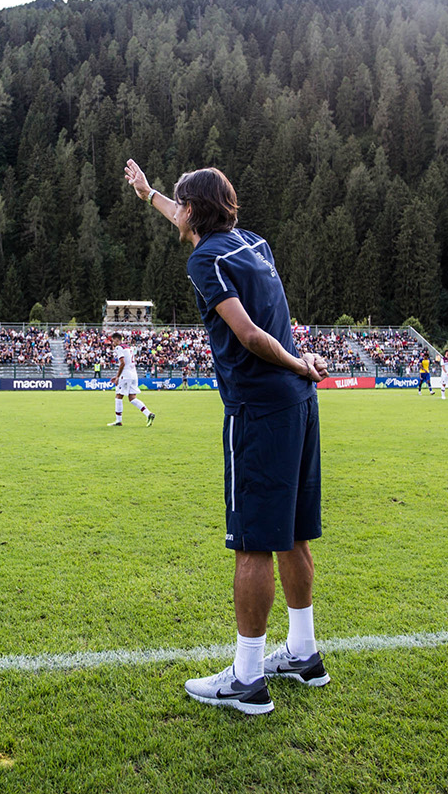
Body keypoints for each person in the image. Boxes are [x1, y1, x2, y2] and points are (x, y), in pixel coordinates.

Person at [125, 159, 331, 716]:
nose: (176, 211)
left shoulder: (204, 259)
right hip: (298, 407)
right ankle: (305, 654)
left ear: (193, 211)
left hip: (259, 409)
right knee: (292, 535)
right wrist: (148, 195)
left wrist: (294, 362)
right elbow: (185, 216)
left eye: (178, 204)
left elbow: (247, 333)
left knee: (252, 543)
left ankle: (246, 679)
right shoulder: (253, 244)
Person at [106, 330, 154, 426]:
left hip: (125, 375)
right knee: (132, 398)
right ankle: (148, 414)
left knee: (118, 396)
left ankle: (118, 421)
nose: (112, 343)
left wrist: (117, 377)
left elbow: (123, 362)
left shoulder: (119, 348)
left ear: (116, 340)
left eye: (113, 341)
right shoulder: (128, 347)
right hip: (133, 374)